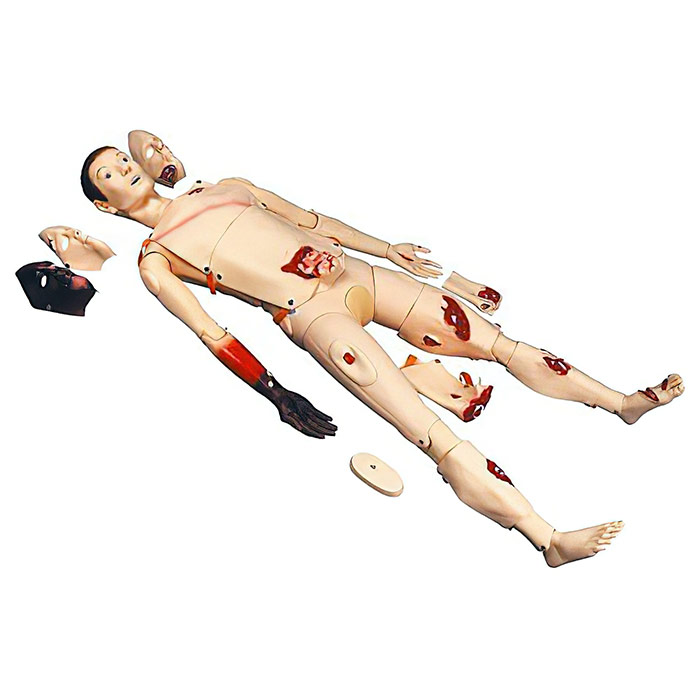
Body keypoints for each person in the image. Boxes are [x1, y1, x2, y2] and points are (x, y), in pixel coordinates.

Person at [80, 144, 684, 567]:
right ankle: (546, 538)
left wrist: (388, 250)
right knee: (429, 431)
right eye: (108, 172)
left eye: (120, 159)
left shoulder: (228, 186)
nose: (124, 167)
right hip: (311, 314)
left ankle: (620, 403)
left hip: (356, 273)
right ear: (106, 205)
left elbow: (314, 220)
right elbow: (211, 332)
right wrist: (276, 392)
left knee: (496, 341)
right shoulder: (156, 260)